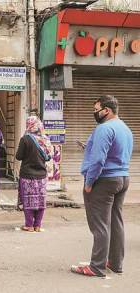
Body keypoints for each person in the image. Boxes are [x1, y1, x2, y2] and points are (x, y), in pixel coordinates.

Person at [71, 95, 133, 278]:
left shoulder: (103, 128)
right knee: (115, 222)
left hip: (103, 180)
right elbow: (117, 153)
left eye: (96, 109)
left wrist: (89, 183)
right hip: (122, 177)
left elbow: (98, 160)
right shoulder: (125, 128)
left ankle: (96, 267)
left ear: (107, 110)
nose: (94, 113)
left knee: (100, 225)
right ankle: (115, 263)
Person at [15, 116, 53, 233]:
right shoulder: (45, 139)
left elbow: (18, 156)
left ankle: (29, 225)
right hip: (41, 175)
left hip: (27, 175)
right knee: (40, 200)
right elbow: (49, 157)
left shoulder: (25, 139)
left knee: (28, 200)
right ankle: (38, 225)